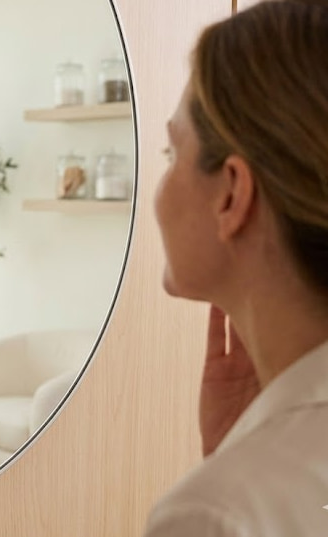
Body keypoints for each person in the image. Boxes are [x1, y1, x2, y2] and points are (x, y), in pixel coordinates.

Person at [145, 1, 328, 535]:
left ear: (231, 194)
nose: (159, 188)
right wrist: (245, 445)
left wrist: (244, 469)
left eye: (171, 153)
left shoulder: (220, 513)